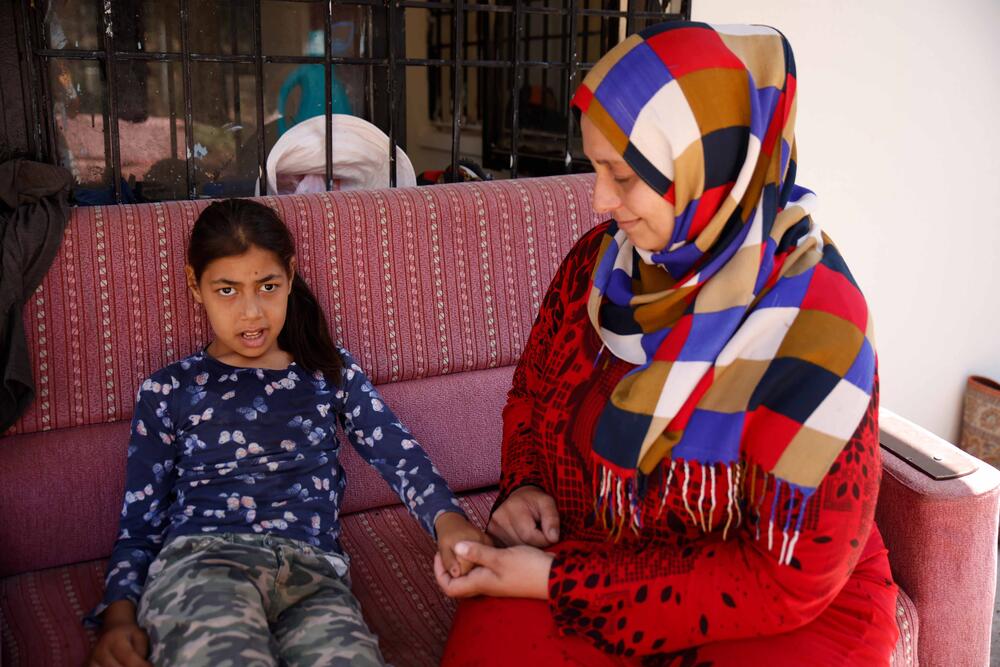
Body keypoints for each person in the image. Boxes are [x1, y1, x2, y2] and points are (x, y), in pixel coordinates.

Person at [436, 22, 899, 665]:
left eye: (621, 176)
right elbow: (530, 394)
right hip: (599, 551)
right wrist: (525, 487)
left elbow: (785, 579)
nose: (600, 201)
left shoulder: (816, 325)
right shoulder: (602, 269)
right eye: (594, 169)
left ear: (706, 170)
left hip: (773, 605)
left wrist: (552, 581)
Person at [86, 199, 488, 667]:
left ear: (290, 276)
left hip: (314, 578)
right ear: (196, 286)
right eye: (228, 290)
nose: (252, 313)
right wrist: (118, 619)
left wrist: (449, 521)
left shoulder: (327, 372)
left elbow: (399, 456)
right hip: (202, 570)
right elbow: (139, 526)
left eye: (267, 286)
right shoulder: (169, 389)